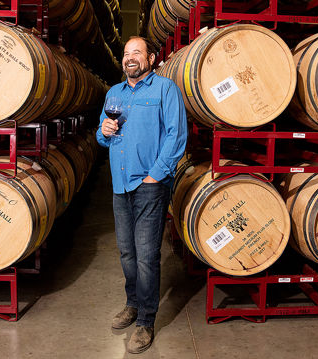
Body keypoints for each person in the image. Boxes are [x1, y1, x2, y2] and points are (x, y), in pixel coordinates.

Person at [96, 36, 187, 354]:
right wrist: (103, 132)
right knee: (127, 253)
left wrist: (156, 175)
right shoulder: (114, 93)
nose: (130, 58)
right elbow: (102, 133)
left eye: (137, 52)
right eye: (125, 54)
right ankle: (133, 303)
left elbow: (177, 136)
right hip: (120, 186)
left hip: (149, 185)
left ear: (150, 57)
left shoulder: (165, 89)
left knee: (147, 256)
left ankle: (146, 322)